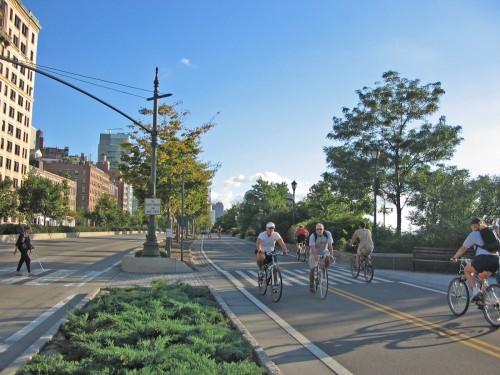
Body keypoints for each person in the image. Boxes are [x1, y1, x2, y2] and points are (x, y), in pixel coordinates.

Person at [451, 218, 500, 301]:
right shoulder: (491, 233)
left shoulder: (474, 234)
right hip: (496, 260)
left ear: (474, 226)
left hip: (483, 259)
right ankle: (483, 299)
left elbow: (463, 248)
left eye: (471, 227)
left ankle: (475, 291)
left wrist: (454, 257)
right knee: (481, 276)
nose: (471, 228)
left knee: (467, 270)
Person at [308, 223, 334, 293]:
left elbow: (330, 246)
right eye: (317, 229)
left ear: (323, 229)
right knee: (312, 268)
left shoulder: (327, 234)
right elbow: (312, 248)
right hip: (314, 252)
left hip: (324, 251)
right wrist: (316, 256)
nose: (319, 231)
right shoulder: (313, 236)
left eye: (320, 229)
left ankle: (323, 270)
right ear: (316, 230)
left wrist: (331, 254)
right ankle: (311, 284)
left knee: (327, 258)